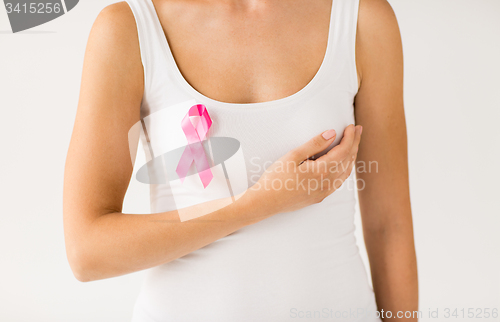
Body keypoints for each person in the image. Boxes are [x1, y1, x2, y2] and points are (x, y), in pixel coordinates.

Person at [63, 0, 418, 320]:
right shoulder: (129, 28)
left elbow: (389, 226)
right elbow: (87, 251)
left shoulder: (361, 19)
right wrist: (260, 203)